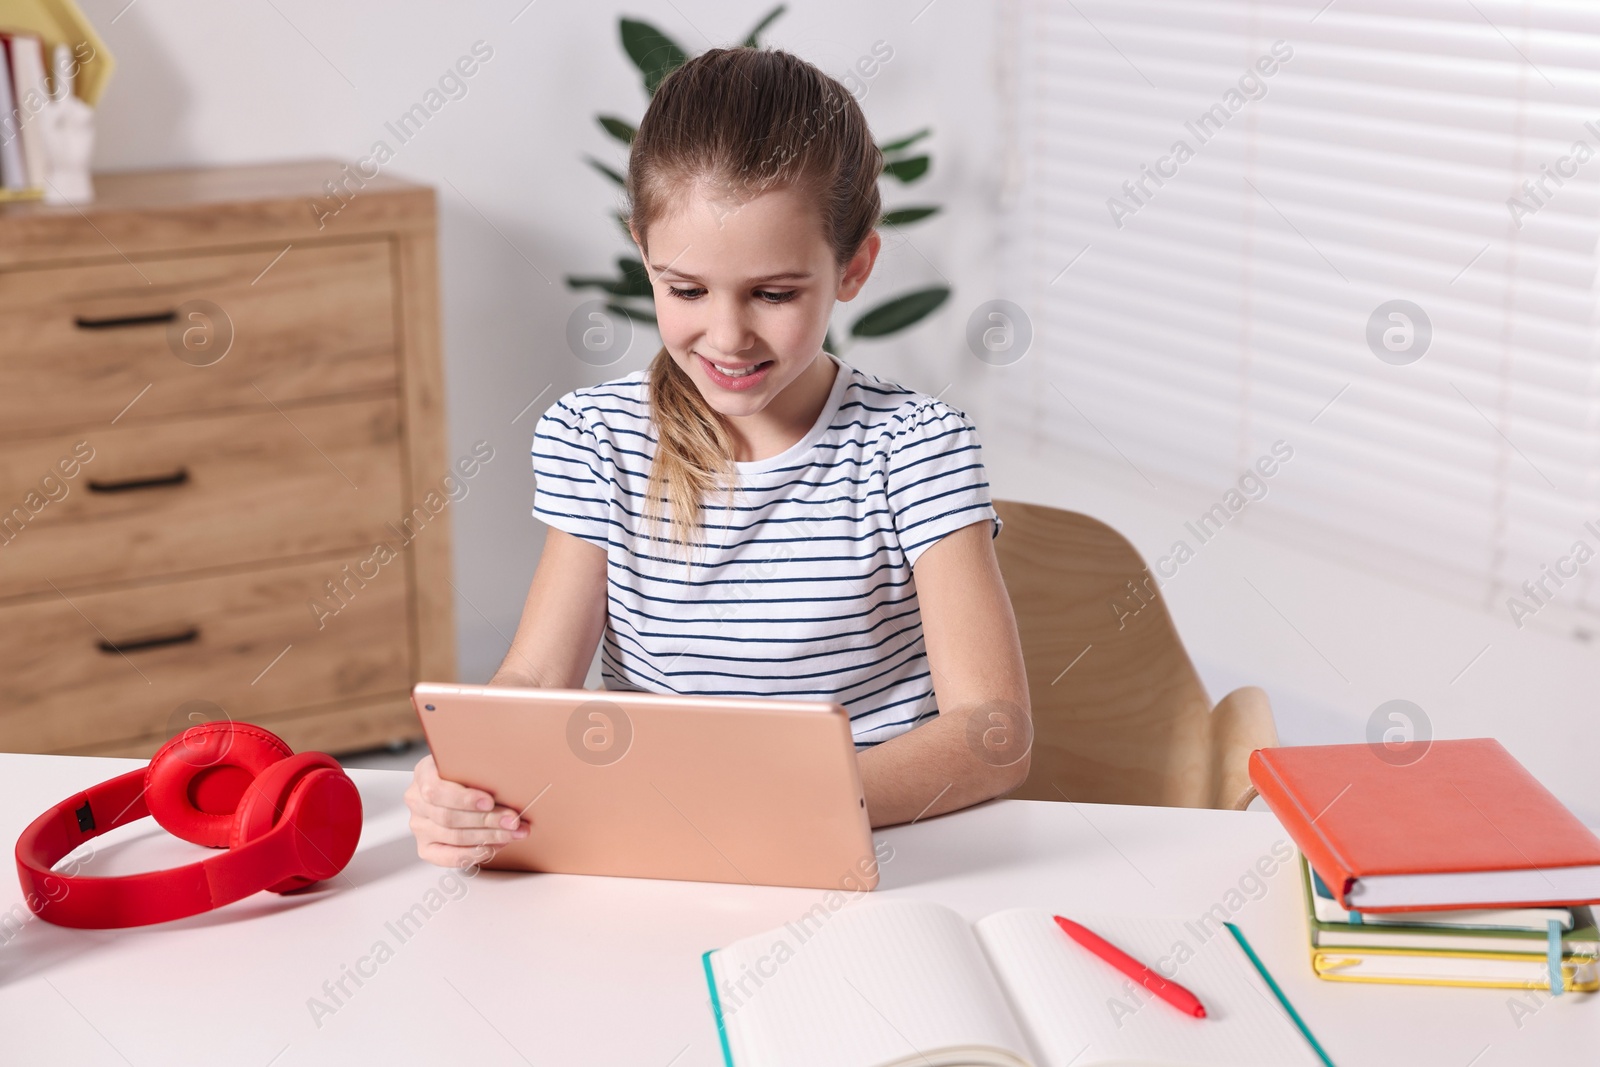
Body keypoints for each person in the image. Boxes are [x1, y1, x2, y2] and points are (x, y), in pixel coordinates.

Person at [406, 46, 1031, 870]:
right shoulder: (599, 441)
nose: (728, 336)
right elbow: (535, 675)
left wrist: (771, 800)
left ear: (854, 267)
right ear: (644, 254)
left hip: (872, 849)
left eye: (774, 294)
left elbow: (993, 734)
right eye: (688, 290)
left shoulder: (913, 450)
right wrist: (471, 777)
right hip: (658, 852)